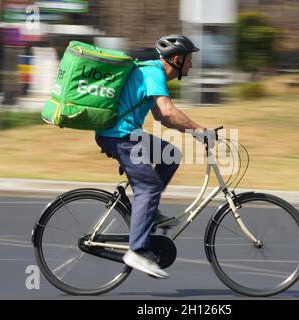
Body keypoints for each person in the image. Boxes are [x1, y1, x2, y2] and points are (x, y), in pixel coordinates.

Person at [95, 35, 210, 279]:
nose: (192, 64)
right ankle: (137, 251)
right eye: (190, 59)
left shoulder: (152, 72)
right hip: (120, 136)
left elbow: (161, 116)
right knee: (148, 186)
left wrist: (193, 133)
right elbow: (168, 111)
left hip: (126, 135)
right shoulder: (154, 72)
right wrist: (201, 131)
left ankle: (149, 211)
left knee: (170, 155)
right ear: (178, 59)